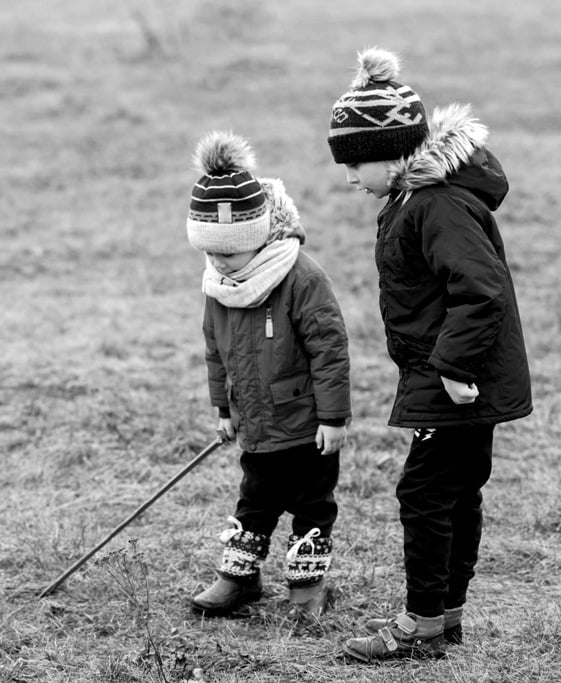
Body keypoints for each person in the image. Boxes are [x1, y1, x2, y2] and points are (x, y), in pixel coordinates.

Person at [326, 47, 532, 661]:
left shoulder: (434, 205)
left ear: (394, 154)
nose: (349, 178)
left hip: (456, 380)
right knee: (455, 494)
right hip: (450, 375)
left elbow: (481, 289)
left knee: (425, 494)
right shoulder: (412, 200)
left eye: (357, 163)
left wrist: (453, 368)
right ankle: (444, 618)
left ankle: (420, 626)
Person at [185, 131, 352, 618]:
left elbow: (330, 350)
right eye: (210, 253)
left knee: (311, 508)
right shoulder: (219, 285)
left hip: (307, 427)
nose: (218, 263)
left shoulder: (301, 278)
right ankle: (238, 579)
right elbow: (215, 351)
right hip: (256, 426)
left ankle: (306, 590)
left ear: (257, 239)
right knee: (253, 504)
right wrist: (223, 408)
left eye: (229, 254)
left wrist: (334, 417)